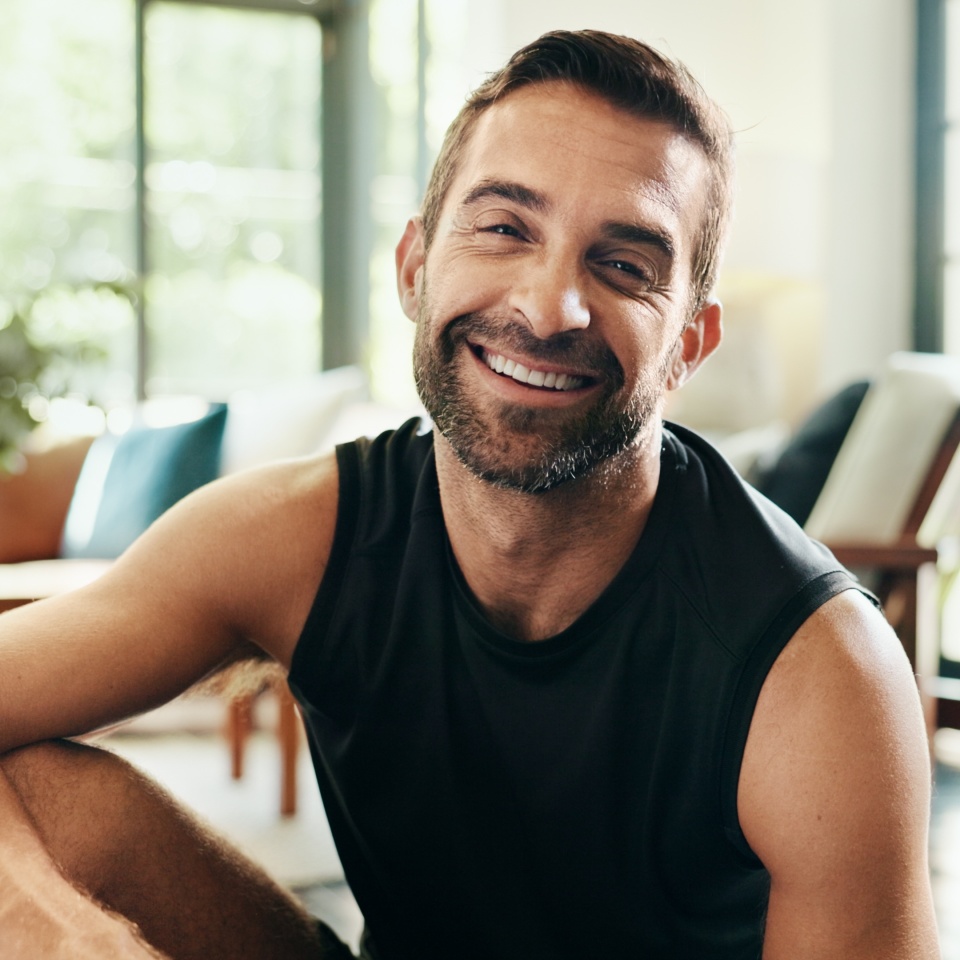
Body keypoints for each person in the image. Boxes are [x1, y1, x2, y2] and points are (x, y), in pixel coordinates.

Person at [0, 28, 940, 960]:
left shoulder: (819, 675)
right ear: (415, 267)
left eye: (624, 266)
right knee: (49, 801)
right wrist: (47, 925)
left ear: (690, 343)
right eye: (504, 228)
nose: (546, 307)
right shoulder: (297, 535)